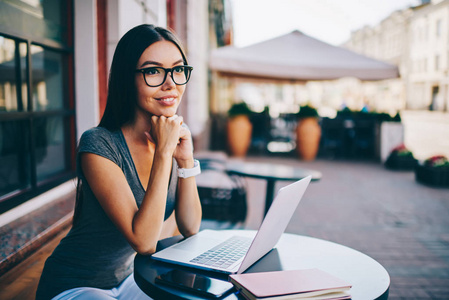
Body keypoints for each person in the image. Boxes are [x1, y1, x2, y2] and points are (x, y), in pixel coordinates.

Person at [36, 24, 202, 300]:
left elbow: (190, 226)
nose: (171, 83)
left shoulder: (172, 139)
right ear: (128, 79)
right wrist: (163, 153)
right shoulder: (98, 145)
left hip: (129, 279)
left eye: (178, 69)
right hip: (75, 283)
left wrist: (185, 160)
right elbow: (144, 241)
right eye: (153, 71)